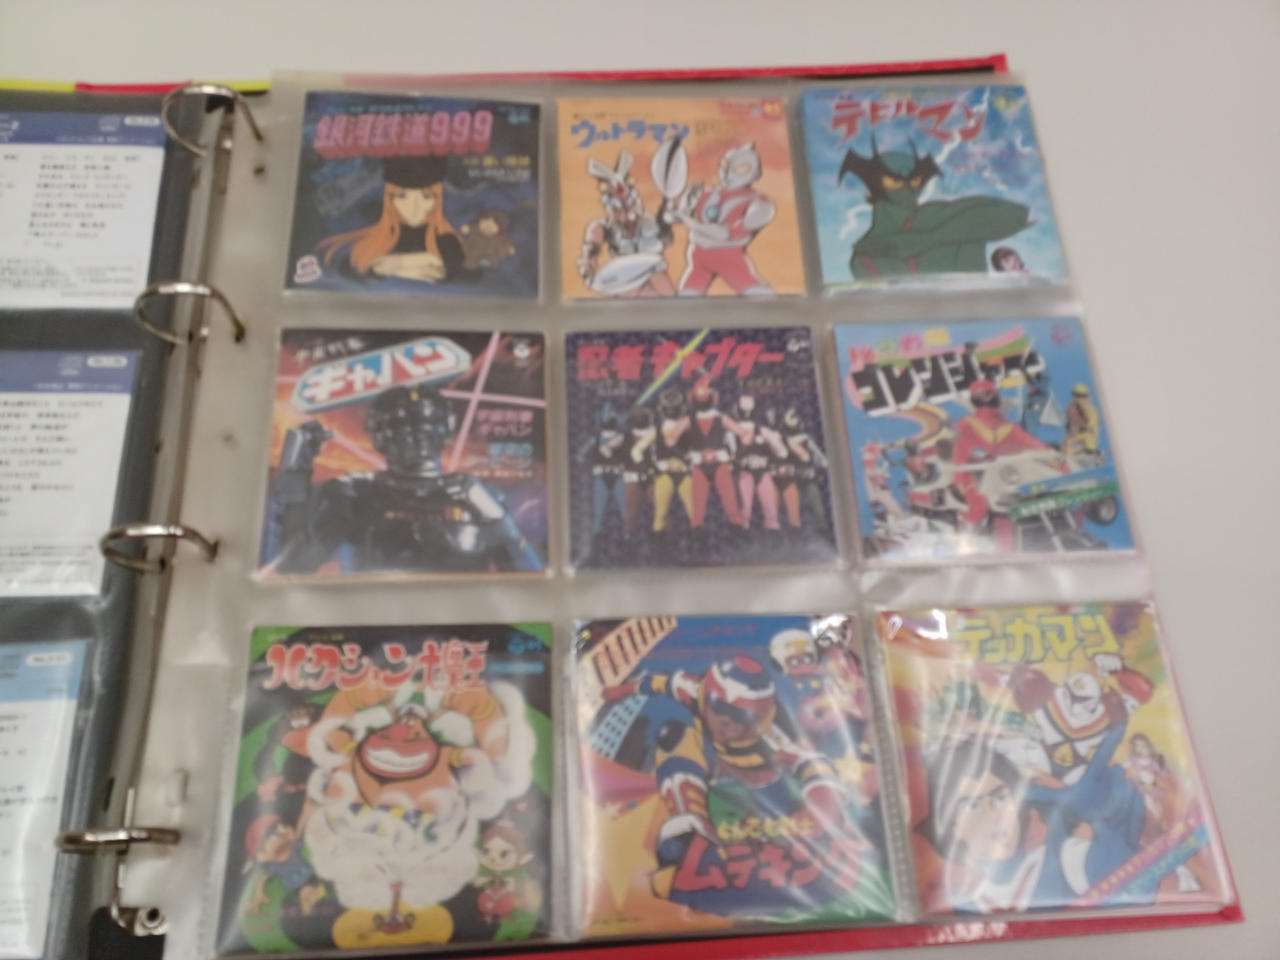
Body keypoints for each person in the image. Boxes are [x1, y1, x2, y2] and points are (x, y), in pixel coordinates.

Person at [270, 385, 541, 574]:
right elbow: (294, 565)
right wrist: (294, 473)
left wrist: (495, 517)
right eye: (401, 427)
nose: (416, 436)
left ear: (445, 429)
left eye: (425, 424)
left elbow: (529, 577)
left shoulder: (477, 494)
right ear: (378, 434)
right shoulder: (355, 493)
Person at [315, 156, 474, 284]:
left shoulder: (445, 238)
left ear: (437, 200)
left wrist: (396, 264)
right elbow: (352, 267)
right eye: (402, 196)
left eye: (426, 197)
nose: (414, 207)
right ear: (390, 200)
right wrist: (422, 264)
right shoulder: (378, 237)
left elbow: (453, 267)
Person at [668, 142, 776, 296]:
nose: (727, 174)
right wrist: (676, 212)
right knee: (687, 296)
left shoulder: (758, 203)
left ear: (753, 172)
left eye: (739, 169)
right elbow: (679, 216)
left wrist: (688, 221)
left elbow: (726, 233)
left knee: (756, 292)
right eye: (725, 166)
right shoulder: (706, 193)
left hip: (729, 258)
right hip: (698, 256)